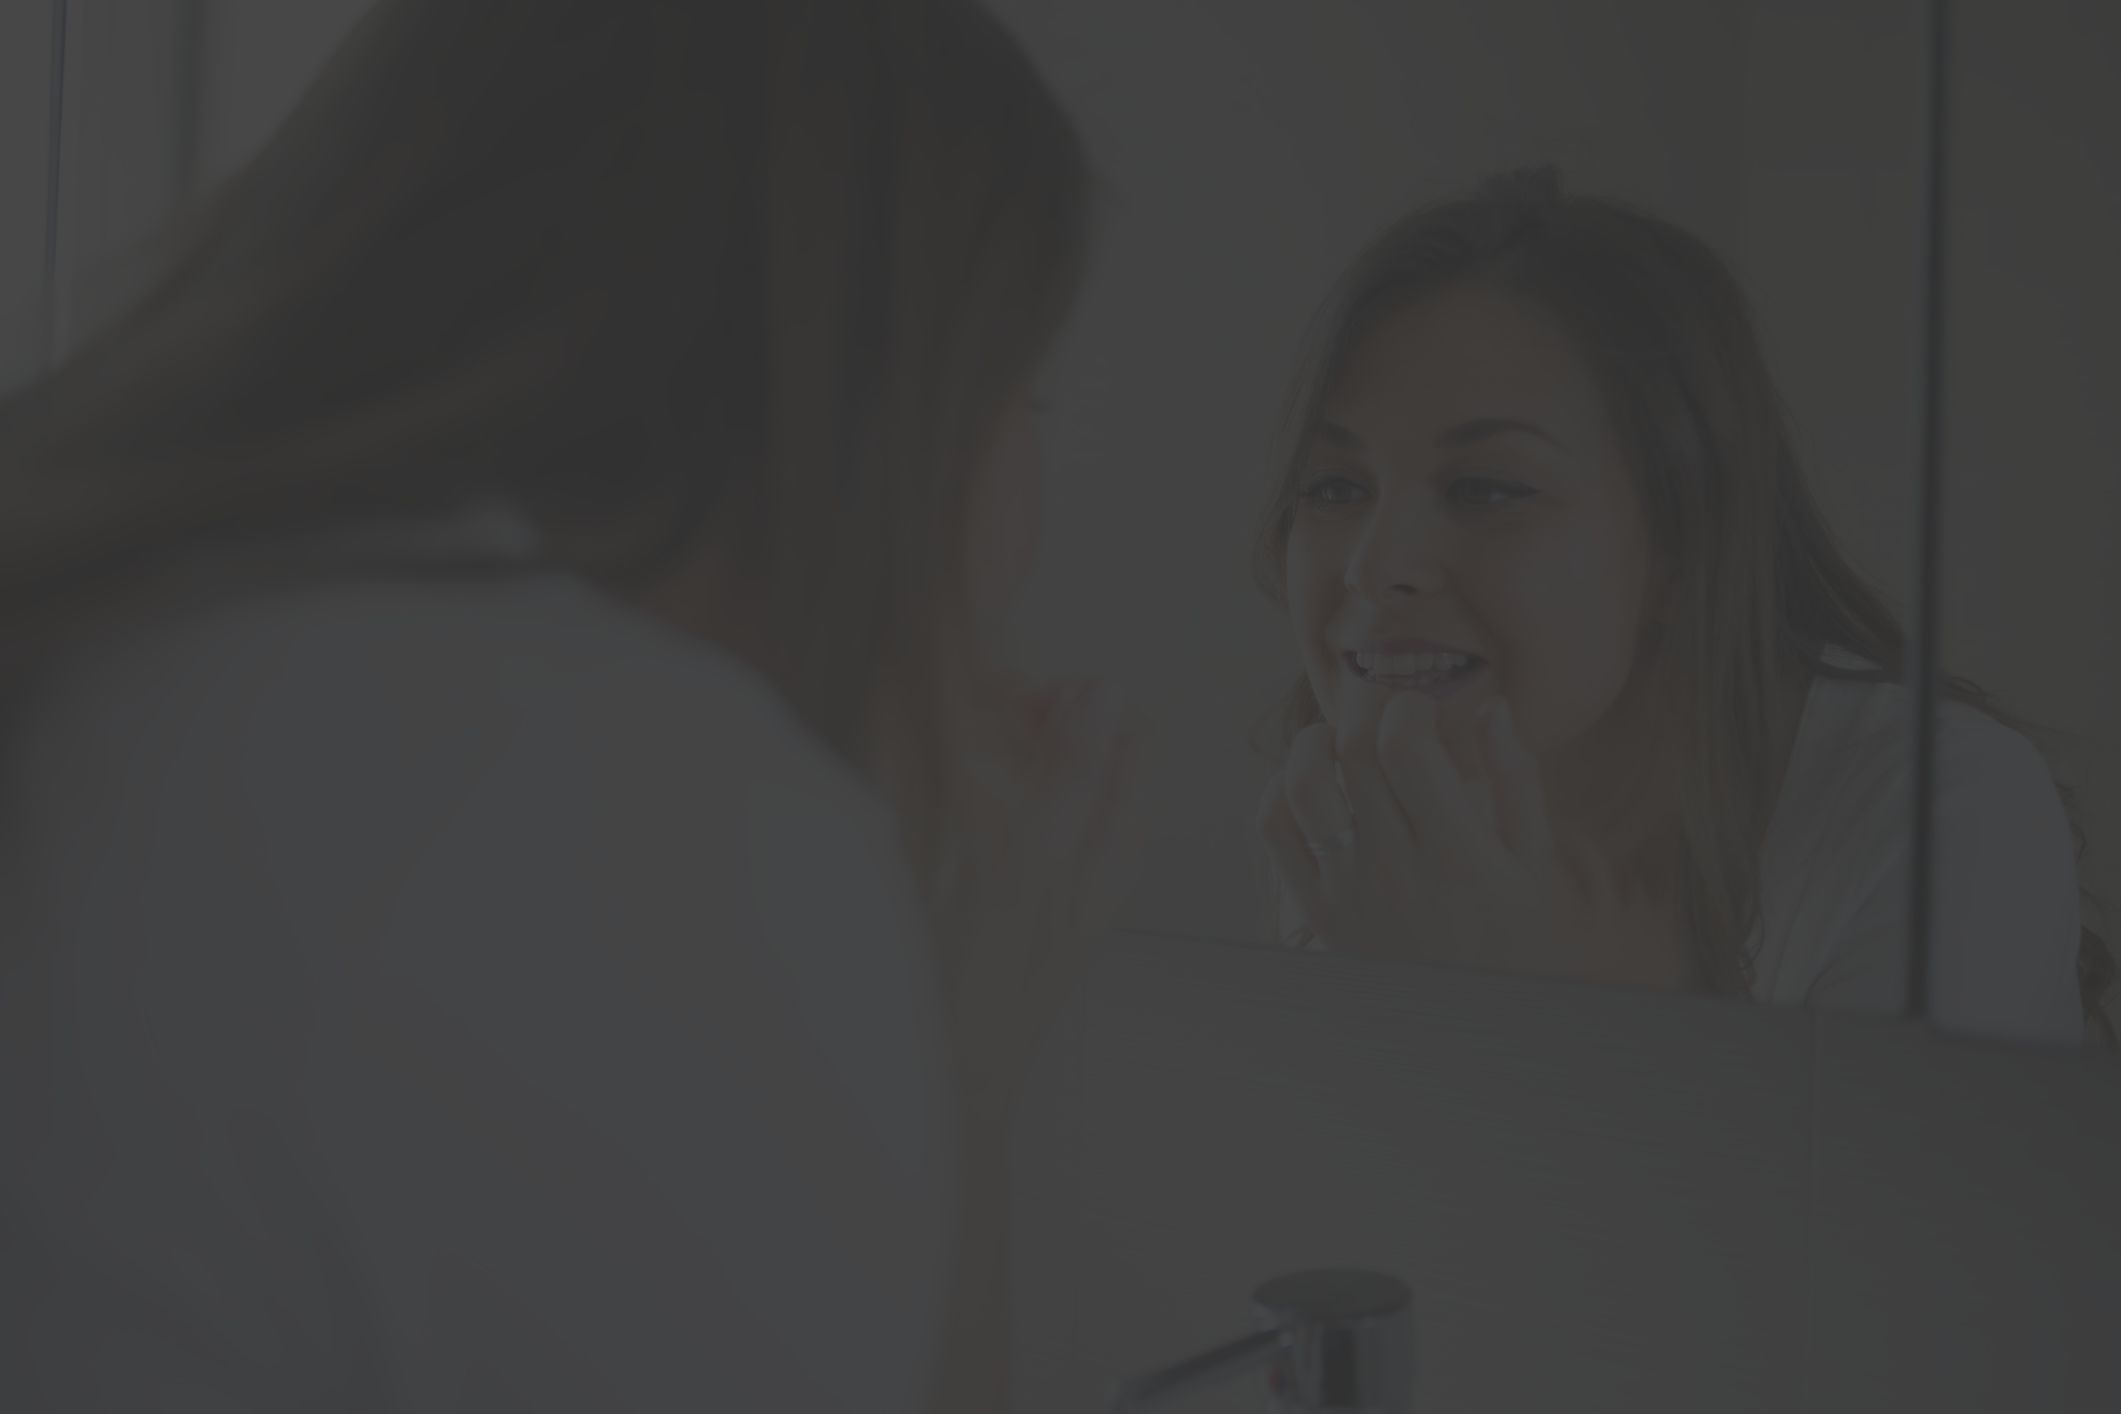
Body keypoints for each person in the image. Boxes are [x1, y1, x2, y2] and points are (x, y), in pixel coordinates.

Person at [0, 1, 1144, 1410]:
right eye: (1022, 392)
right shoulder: (641, 816)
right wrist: (945, 1076)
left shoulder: (139, 642)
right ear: (859, 391)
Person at [1253, 167, 2108, 1050]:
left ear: (1685, 542)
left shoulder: (1935, 819)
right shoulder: (1366, 824)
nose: (1374, 565)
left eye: (1483, 489)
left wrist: (1509, 1007)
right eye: (1332, 486)